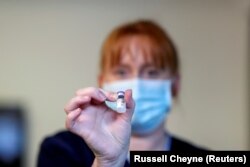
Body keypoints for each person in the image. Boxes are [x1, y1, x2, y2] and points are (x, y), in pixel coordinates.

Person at [37, 20, 205, 167]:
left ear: (175, 86)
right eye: (122, 72)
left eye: (152, 72)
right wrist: (108, 163)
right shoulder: (61, 150)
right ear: (102, 82)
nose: (136, 85)